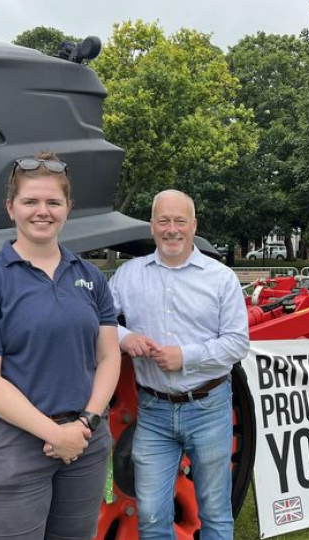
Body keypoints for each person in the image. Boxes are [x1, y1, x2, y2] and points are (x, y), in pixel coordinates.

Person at [0, 152, 120, 540]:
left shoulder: (90, 276)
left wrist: (86, 423)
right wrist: (53, 433)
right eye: (30, 201)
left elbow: (109, 355)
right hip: (11, 442)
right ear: (11, 208)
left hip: (84, 440)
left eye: (53, 202)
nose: (41, 211)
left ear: (68, 208)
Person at [109, 189, 249, 540]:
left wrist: (185, 357)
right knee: (152, 517)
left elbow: (237, 343)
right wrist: (125, 337)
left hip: (209, 407)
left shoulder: (220, 278)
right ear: (152, 226)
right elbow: (100, 319)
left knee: (215, 512)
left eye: (180, 221)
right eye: (164, 221)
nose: (172, 229)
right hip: (153, 411)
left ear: (194, 225)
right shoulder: (129, 275)